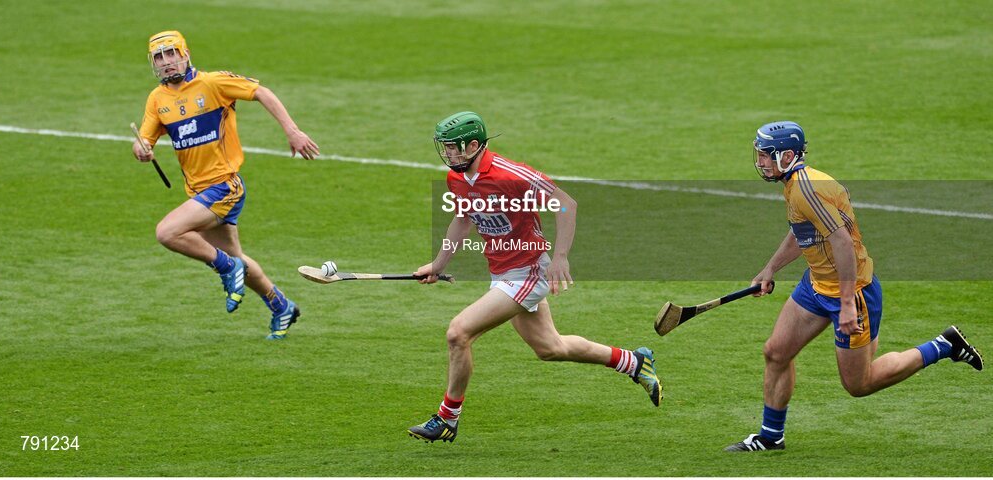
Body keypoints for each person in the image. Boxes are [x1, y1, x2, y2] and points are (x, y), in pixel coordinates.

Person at [725, 121, 984, 452]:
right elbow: (803, 231)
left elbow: (843, 244)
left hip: (852, 291)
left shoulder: (807, 189)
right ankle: (770, 436)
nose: (759, 161)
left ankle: (942, 346)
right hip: (817, 284)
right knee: (776, 352)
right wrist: (770, 268)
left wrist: (847, 304)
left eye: (765, 155)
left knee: (859, 384)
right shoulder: (797, 184)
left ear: (787, 156)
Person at [407, 111, 662, 443]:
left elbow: (566, 204)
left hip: (529, 271)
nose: (448, 154)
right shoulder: (457, 179)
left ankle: (447, 418)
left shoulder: (511, 175)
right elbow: (462, 219)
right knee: (549, 347)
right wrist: (437, 264)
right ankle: (634, 361)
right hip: (502, 272)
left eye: (453, 148)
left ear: (473, 145)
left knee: (459, 333)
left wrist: (559, 257)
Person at [132, 31, 319, 340]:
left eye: (170, 54)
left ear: (185, 53)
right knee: (239, 261)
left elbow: (262, 92)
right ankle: (281, 305)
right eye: (158, 57)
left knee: (167, 232)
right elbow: (144, 140)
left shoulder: (214, 83)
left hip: (225, 186)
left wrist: (292, 131)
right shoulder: (157, 99)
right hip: (199, 192)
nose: (166, 62)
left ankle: (224, 266)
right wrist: (141, 150)